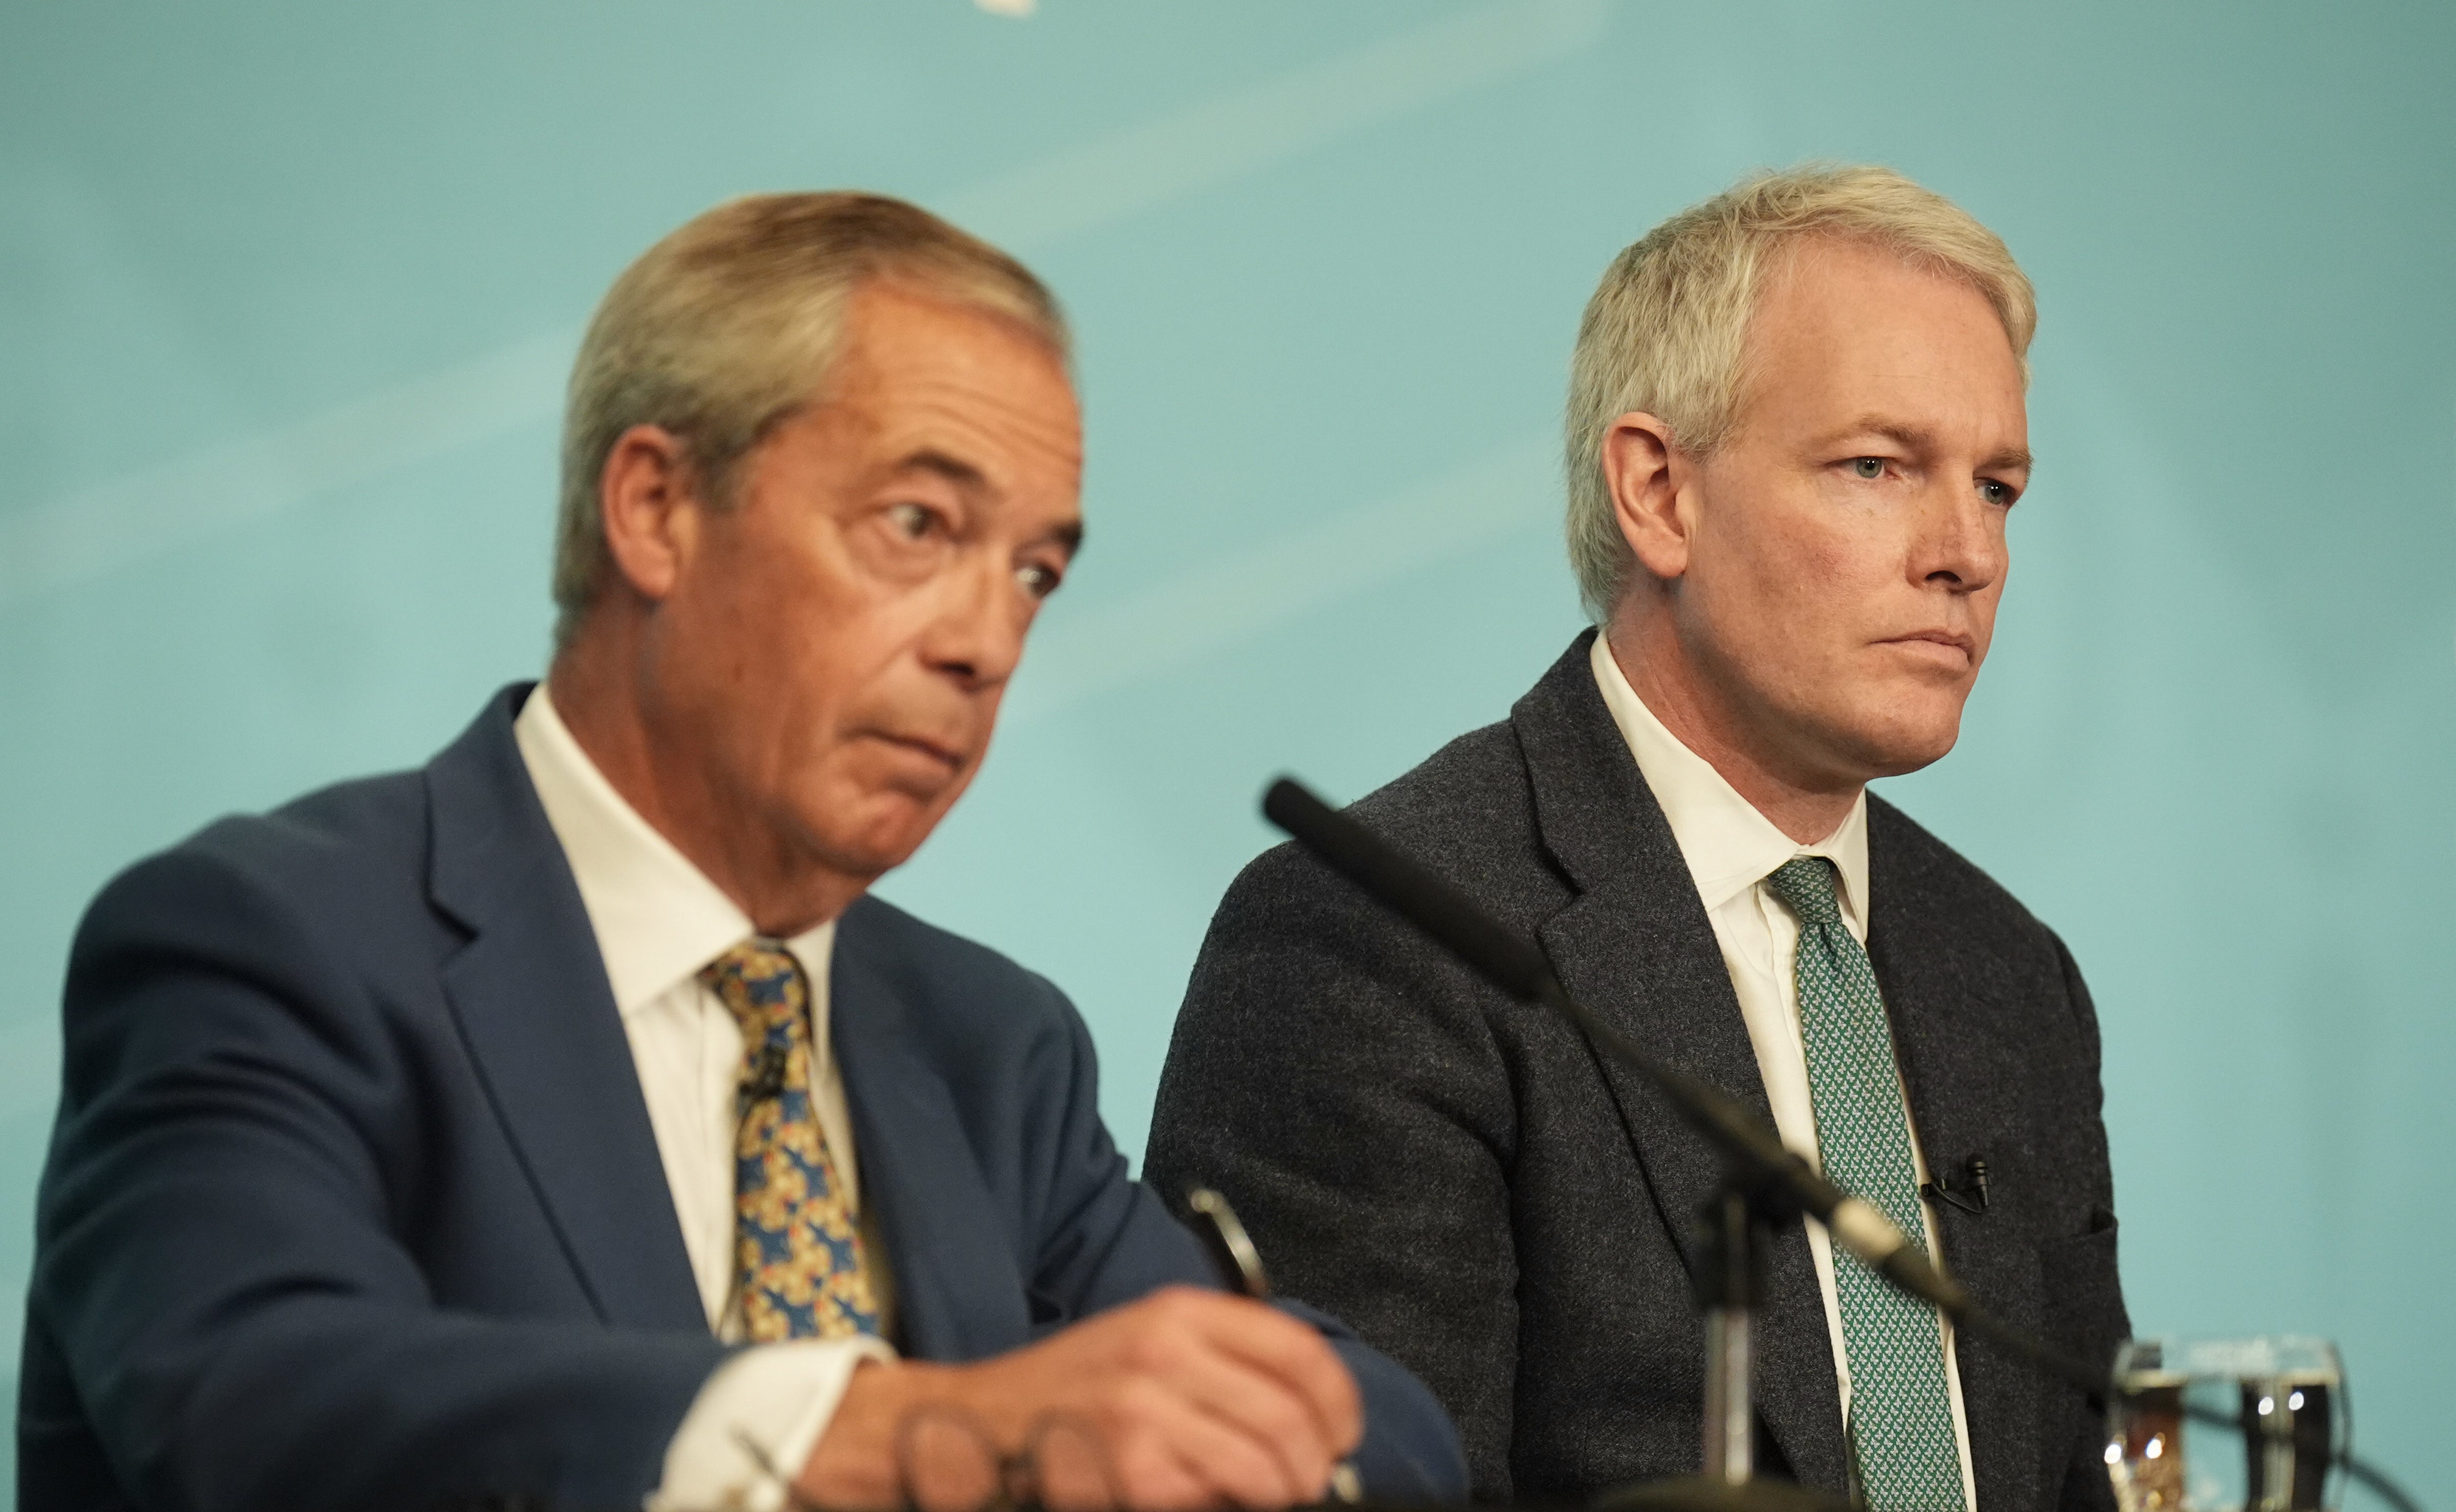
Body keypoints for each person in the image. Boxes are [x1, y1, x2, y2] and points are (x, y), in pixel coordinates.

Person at [23, 193, 1464, 1512]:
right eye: (919, 524)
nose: (984, 641)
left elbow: (1381, 1436)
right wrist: (898, 1434)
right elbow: (244, 1403)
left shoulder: (985, 1044)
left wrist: (1227, 1426)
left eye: (1033, 572)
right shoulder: (273, 937)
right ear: (655, 507)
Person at [1147, 165, 2128, 1510]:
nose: (1965, 552)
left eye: (1998, 487)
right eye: (1877, 467)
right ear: (1658, 493)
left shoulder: (2007, 975)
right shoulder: (1378, 939)